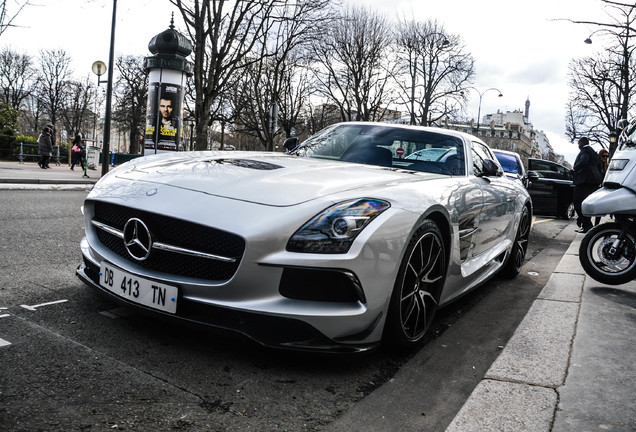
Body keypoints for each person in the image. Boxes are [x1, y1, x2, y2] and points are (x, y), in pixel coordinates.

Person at [573, 137, 602, 233]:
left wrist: (575, 169)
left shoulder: (585, 151)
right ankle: (585, 224)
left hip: (584, 181)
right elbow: (599, 166)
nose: (578, 146)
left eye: (578, 144)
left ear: (582, 143)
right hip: (594, 181)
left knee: (577, 202)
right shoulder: (594, 152)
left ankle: (587, 225)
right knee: (585, 203)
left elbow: (583, 161)